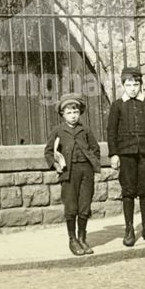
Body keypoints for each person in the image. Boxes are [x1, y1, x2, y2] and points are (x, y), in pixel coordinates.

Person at [106, 66, 145, 247]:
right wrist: (114, 154)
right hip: (126, 155)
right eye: (129, 84)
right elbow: (111, 132)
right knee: (129, 191)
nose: (132, 88)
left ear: (140, 85)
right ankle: (129, 229)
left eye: (136, 84)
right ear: (123, 85)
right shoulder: (117, 105)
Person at [44, 93, 101, 256]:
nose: (73, 115)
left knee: (84, 206)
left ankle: (82, 238)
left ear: (79, 113)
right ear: (62, 114)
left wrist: (93, 163)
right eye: (69, 112)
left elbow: (95, 148)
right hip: (68, 173)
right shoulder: (58, 131)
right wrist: (56, 164)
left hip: (86, 172)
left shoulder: (85, 130)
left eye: (75, 112)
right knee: (71, 206)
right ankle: (72, 239)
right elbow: (48, 152)